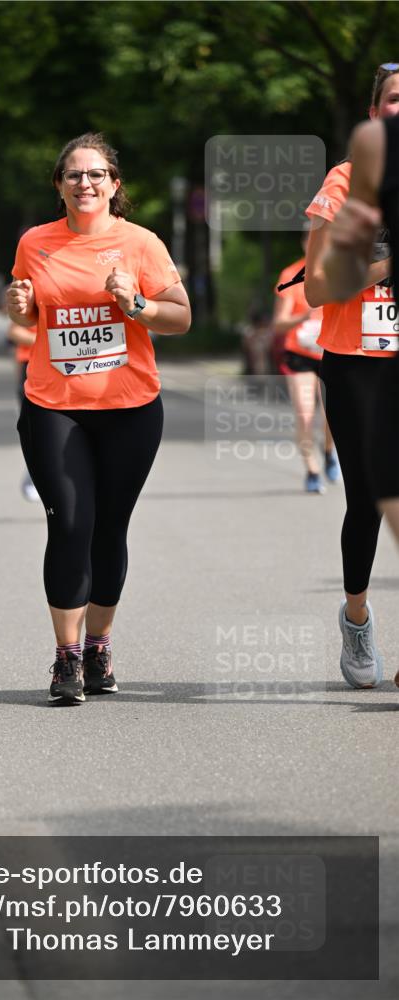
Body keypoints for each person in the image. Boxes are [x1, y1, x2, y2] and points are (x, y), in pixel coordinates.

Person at [7, 132, 191, 705]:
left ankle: (98, 644)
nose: (84, 183)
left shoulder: (141, 244)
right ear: (58, 186)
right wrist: (19, 308)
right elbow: (26, 310)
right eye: (73, 175)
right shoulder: (35, 243)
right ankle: (66, 658)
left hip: (130, 408)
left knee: (110, 528)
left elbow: (180, 318)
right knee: (69, 524)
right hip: (54, 405)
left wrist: (135, 304)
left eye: (95, 175)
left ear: (114, 185)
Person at [305, 63, 398, 690]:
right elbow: (317, 287)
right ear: (373, 112)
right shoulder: (344, 184)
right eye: (394, 100)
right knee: (367, 499)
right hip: (359, 362)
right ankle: (358, 616)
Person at [274, 232, 339, 494]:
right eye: (310, 239)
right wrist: (305, 316)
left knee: (332, 416)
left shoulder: (339, 271)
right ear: (304, 243)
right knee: (304, 413)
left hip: (330, 352)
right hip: (299, 353)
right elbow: (278, 324)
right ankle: (312, 471)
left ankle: (328, 451)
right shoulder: (290, 275)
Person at [7, 321, 40, 501]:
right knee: (37, 431)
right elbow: (14, 331)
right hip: (33, 366)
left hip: (79, 367)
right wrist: (49, 341)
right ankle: (34, 475)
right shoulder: (34, 292)